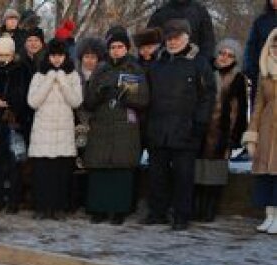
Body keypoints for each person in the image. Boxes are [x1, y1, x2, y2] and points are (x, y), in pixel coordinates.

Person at [145, 19, 215, 230]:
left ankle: (181, 216)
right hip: (158, 128)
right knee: (157, 174)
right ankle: (157, 213)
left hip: (186, 130)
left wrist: (200, 123)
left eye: (176, 38)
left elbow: (208, 96)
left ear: (187, 37)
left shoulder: (199, 63)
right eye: (169, 38)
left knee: (183, 176)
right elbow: (147, 94)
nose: (172, 42)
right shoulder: (157, 62)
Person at [83, 28, 150, 224]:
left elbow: (144, 99)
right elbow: (88, 102)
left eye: (120, 47)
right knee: (100, 168)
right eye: (113, 47)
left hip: (124, 127)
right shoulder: (100, 69)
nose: (116, 50)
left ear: (127, 48)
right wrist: (99, 94)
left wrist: (126, 94)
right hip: (102, 125)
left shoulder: (134, 69)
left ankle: (119, 210)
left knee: (121, 170)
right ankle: (98, 209)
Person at [27, 38, 83, 220]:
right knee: (43, 174)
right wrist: (50, 78)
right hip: (43, 132)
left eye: (60, 55)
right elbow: (33, 102)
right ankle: (42, 208)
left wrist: (63, 80)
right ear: (48, 56)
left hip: (63, 132)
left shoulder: (73, 75)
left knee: (61, 173)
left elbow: (76, 101)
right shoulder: (39, 75)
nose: (57, 59)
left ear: (65, 56)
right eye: (53, 55)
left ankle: (59, 208)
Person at [195, 39, 249, 222]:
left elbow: (240, 110)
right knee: (198, 169)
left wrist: (235, 135)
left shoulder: (238, 78)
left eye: (230, 55)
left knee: (215, 172)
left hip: (221, 132)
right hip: (201, 129)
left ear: (235, 59)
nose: (225, 57)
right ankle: (197, 207)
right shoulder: (206, 71)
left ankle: (210, 209)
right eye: (222, 53)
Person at [0, 35, 32, 213]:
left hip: (15, 122)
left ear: (13, 54)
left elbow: (26, 94)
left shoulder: (22, 70)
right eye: (0, 55)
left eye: (7, 55)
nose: (3, 59)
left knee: (15, 164)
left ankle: (13, 201)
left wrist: (12, 104)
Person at [243, 29, 277, 234]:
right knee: (265, 175)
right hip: (266, 130)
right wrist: (252, 135)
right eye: (274, 45)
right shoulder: (264, 74)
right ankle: (269, 215)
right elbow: (257, 107)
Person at [147, 0, 215, 61]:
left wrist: (202, 63)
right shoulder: (160, 13)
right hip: (165, 64)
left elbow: (208, 41)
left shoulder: (201, 12)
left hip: (193, 64)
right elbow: (150, 41)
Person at [245, 0, 277, 105]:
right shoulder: (261, 21)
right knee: (260, 111)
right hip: (263, 74)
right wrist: (250, 70)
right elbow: (251, 47)